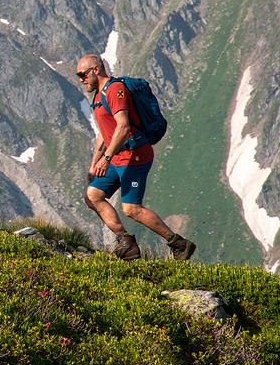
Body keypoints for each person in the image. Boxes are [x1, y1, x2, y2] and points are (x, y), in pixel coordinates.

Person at [76, 54, 195, 260]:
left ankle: (179, 244)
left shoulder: (115, 90)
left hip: (135, 154)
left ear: (96, 70)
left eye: (83, 74)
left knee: (131, 209)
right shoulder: (97, 97)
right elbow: (103, 135)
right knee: (93, 196)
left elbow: (123, 126)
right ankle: (126, 243)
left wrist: (106, 158)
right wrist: (94, 164)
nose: (81, 79)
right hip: (116, 157)